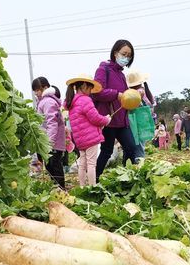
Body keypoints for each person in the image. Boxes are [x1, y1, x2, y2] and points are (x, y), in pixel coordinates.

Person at [93, 39, 138, 180]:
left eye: (129, 55)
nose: (126, 58)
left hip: (122, 120)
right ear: (115, 53)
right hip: (108, 119)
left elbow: (125, 97)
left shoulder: (121, 75)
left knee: (131, 148)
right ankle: (94, 180)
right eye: (124, 54)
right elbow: (97, 92)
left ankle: (125, 177)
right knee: (106, 151)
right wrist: (116, 94)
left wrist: (134, 96)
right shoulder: (103, 69)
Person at [66, 75, 111, 187]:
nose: (91, 92)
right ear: (84, 86)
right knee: (91, 164)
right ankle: (92, 187)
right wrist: (106, 120)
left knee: (82, 164)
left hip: (79, 139)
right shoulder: (85, 100)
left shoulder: (71, 102)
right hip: (90, 138)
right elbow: (95, 118)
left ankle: (82, 187)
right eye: (90, 89)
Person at [32, 76, 66, 189]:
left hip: (53, 142)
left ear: (45, 87)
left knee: (55, 166)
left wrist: (49, 143)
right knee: (50, 166)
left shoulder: (48, 102)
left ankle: (61, 189)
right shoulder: (42, 102)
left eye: (37, 90)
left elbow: (52, 123)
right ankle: (57, 189)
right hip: (49, 142)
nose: (36, 93)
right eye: (34, 90)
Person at [126, 70, 155, 162]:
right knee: (139, 146)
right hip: (141, 126)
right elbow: (152, 104)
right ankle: (138, 164)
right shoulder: (143, 91)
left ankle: (136, 165)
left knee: (136, 146)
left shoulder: (136, 93)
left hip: (135, 125)